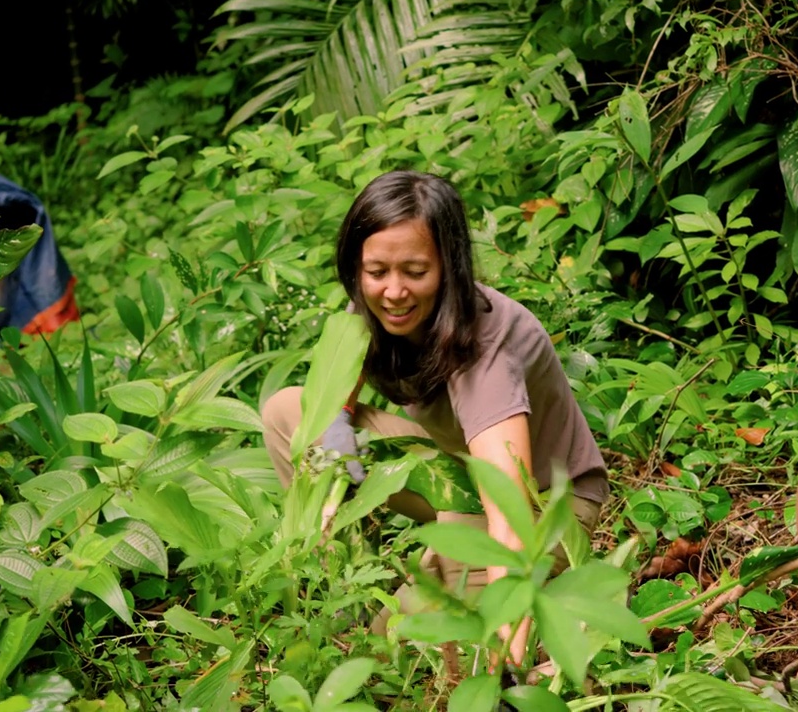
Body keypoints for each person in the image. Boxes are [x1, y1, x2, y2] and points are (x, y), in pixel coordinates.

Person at [261, 170, 610, 666]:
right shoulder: (375, 304)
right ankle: (341, 586)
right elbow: (336, 384)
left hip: (545, 507)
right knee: (290, 411)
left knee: (403, 651)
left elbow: (509, 513)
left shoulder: (485, 348)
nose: (394, 292)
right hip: (453, 472)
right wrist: (334, 431)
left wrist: (503, 665)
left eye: (415, 271)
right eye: (377, 271)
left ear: (449, 267)